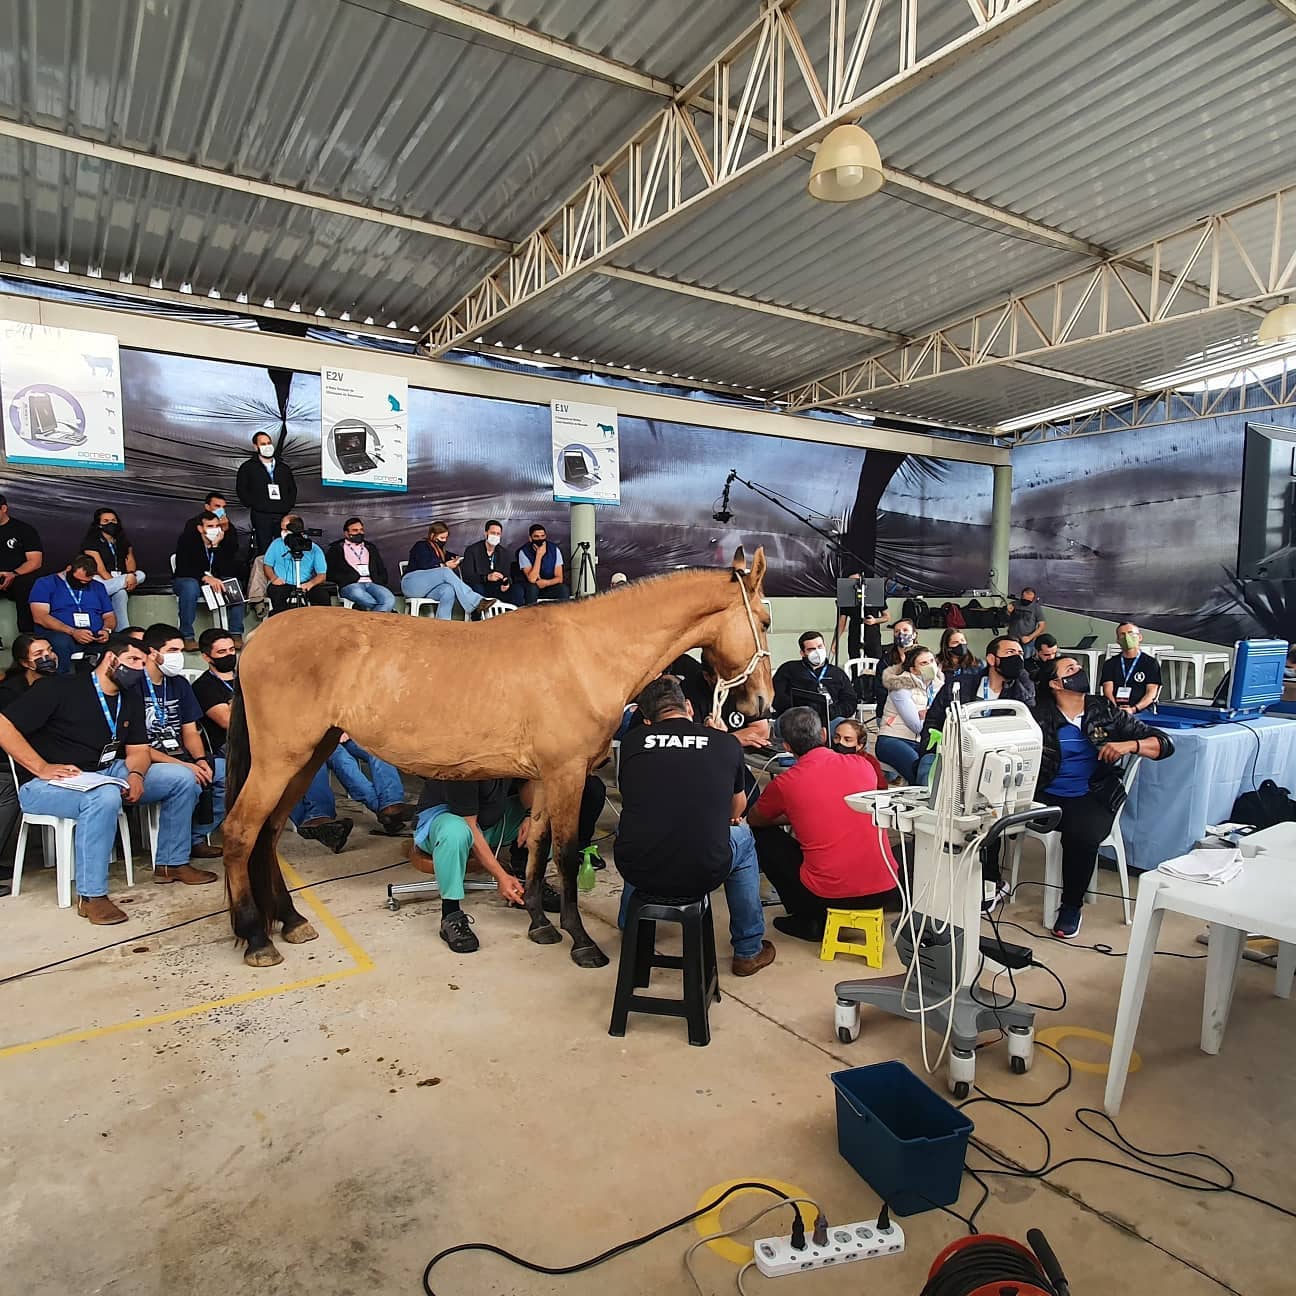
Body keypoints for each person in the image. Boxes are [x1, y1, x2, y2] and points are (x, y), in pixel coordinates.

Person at [0, 632, 204, 923]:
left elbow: (137, 750)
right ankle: (92, 895)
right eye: (132, 660)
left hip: (106, 771)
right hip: (48, 783)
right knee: (104, 796)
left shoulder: (129, 696)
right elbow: (3, 725)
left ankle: (172, 863)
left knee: (181, 777)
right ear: (111, 658)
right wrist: (41, 767)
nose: (138, 668)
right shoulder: (60, 688)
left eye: (143, 662)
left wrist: (136, 774)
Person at [613, 677, 775, 977]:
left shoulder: (633, 741)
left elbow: (632, 794)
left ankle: (630, 927)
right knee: (743, 836)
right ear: (688, 707)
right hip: (703, 871)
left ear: (647, 720)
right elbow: (737, 809)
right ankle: (748, 950)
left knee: (638, 830)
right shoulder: (725, 743)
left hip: (638, 868)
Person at [1033, 657, 1174, 938]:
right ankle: (991, 886)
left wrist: (1129, 745)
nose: (1079, 672)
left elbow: (1163, 744)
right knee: (991, 816)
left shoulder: (1105, 710)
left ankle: (1071, 906)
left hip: (1093, 792)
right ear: (1054, 684)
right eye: (1070, 670)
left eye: (1078, 668)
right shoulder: (1039, 715)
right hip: (1046, 793)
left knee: (1081, 835)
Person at [748, 706, 900, 941]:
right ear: (823, 735)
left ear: (786, 747)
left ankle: (807, 919)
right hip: (886, 890)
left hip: (829, 897)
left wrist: (796, 813)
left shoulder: (786, 782)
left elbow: (755, 818)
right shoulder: (864, 766)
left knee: (760, 835)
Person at [920, 635, 1036, 904]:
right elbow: (935, 720)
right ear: (993, 659)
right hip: (954, 758)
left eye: (1020, 652)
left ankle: (989, 881)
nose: (1017, 656)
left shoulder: (1021, 691)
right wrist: (937, 745)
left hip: (997, 767)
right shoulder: (961, 685)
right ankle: (943, 872)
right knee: (936, 798)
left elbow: (1027, 729)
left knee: (988, 818)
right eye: (1010, 652)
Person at [408, 775, 528, 953]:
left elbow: (531, 781)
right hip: (445, 823)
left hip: (487, 821)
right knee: (456, 833)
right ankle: (451, 914)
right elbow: (469, 826)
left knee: (546, 816)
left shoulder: (511, 751)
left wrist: (531, 815)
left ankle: (526, 883)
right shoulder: (463, 765)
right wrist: (501, 875)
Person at [139, 624, 224, 862]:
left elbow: (190, 731)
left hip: (181, 756)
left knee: (228, 773)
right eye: (172, 650)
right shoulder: (133, 685)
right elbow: (135, 747)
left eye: (181, 651)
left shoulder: (179, 684)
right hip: (147, 761)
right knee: (188, 780)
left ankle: (194, 838)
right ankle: (172, 861)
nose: (178, 657)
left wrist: (198, 759)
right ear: (152, 652)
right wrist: (187, 767)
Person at [0, 634, 58, 871]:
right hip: (10, 760)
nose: (48, 657)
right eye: (39, 655)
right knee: (8, 789)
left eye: (50, 650)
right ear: (25, 663)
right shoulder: (10, 691)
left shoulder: (61, 682)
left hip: (52, 754)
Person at [289, 735, 411, 838]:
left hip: (341, 731)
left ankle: (390, 805)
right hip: (311, 737)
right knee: (342, 760)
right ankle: (388, 809)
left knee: (379, 748)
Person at [29, 555, 116, 674]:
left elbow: (109, 616)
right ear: (69, 569)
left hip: (94, 635)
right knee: (61, 642)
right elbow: (40, 617)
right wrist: (72, 632)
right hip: (61, 633)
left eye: (86, 582)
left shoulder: (98, 586)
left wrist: (106, 630)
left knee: (119, 642)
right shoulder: (45, 583)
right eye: (78, 580)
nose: (82, 583)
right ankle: (63, 681)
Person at [173, 509, 245, 648]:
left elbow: (226, 569)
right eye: (210, 526)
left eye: (217, 526)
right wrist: (204, 577)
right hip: (188, 580)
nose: (215, 529)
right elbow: (183, 567)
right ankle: (187, 636)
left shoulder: (222, 541)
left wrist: (216, 547)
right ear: (200, 528)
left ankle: (235, 633)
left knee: (233, 584)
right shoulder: (187, 539)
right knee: (190, 586)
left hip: (213, 582)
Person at [876, 644, 944, 782]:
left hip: (922, 742)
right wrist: (932, 716)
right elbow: (917, 726)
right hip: (893, 739)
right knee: (921, 774)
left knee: (939, 771)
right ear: (913, 669)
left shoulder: (937, 686)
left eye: (932, 661)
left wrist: (927, 714)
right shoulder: (900, 686)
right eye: (924, 663)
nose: (930, 666)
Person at [401, 521, 495, 619]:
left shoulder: (441, 551)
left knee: (448, 590)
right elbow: (425, 565)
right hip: (410, 584)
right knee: (445, 571)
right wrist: (444, 565)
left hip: (426, 590)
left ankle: (443, 625)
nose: (444, 540)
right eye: (442, 538)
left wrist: (458, 559)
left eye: (446, 538)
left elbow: (451, 556)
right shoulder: (421, 546)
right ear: (432, 535)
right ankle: (476, 602)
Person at [79, 507, 145, 628]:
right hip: (100, 579)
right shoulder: (91, 542)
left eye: (113, 520)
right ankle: (124, 632)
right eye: (106, 521)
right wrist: (123, 581)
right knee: (119, 590)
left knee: (139, 576)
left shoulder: (123, 541)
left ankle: (122, 633)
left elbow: (130, 561)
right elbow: (100, 569)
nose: (110, 523)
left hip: (122, 576)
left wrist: (131, 574)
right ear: (98, 525)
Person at [772, 630, 857, 721]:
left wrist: (830, 712)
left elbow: (850, 702)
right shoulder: (788, 669)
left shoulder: (838, 673)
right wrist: (802, 710)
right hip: (797, 719)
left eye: (820, 647)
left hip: (830, 718)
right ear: (802, 653)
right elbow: (776, 698)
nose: (817, 652)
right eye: (811, 649)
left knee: (843, 727)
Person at [237, 431, 298, 555]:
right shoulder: (248, 467)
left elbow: (292, 488)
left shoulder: (283, 467)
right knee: (264, 548)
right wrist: (253, 504)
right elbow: (242, 489)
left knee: (283, 546)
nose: (267, 446)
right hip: (261, 515)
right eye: (263, 443)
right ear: (256, 446)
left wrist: (288, 505)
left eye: (269, 443)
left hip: (281, 513)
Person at [263, 515, 332, 615]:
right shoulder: (276, 544)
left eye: (285, 530)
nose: (282, 532)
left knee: (322, 596)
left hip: (305, 583)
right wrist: (274, 578)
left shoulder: (314, 548)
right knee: (277, 596)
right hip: (282, 583)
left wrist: (310, 584)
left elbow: (322, 575)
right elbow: (267, 565)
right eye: (281, 529)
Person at [327, 516, 397, 613]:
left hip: (372, 583)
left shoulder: (370, 547)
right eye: (355, 530)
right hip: (351, 584)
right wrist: (346, 578)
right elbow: (330, 572)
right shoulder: (336, 548)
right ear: (346, 533)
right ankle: (385, 612)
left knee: (389, 599)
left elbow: (381, 568)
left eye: (361, 530)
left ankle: (373, 620)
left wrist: (380, 581)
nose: (359, 533)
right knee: (361, 595)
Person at [0, 493, 44, 636]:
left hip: (17, 576)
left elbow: (35, 561)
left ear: (4, 508)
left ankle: (27, 635)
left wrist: (13, 574)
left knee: (27, 583)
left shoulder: (24, 530)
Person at [1099, 622, 1162, 714]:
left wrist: (1133, 709)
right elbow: (1108, 691)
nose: (1127, 637)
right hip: (1116, 711)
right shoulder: (1110, 664)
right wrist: (1117, 709)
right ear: (1117, 640)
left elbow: (1151, 693)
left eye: (1130, 633)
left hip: (1142, 710)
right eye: (1122, 635)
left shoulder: (1150, 663)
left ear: (1140, 637)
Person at [460, 520, 517, 605]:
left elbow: (507, 574)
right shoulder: (472, 550)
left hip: (496, 586)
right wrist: (487, 577)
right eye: (493, 533)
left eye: (498, 534)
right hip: (478, 585)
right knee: (478, 589)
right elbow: (467, 576)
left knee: (516, 591)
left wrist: (506, 582)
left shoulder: (504, 553)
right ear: (486, 533)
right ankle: (479, 617)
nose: (496, 536)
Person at [517, 523, 569, 605]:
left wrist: (546, 583)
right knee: (532, 588)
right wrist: (539, 556)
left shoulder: (554, 550)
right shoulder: (523, 552)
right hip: (531, 587)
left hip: (548, 584)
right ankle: (531, 615)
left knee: (563, 589)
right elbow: (532, 579)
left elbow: (559, 578)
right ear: (530, 538)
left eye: (542, 536)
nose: (540, 539)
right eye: (536, 537)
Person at [829, 717, 888, 786]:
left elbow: (881, 788)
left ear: (860, 745)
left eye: (847, 740)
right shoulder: (827, 757)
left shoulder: (870, 762)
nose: (840, 742)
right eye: (837, 737)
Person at [1006, 587, 1047, 658]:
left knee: (1027, 660)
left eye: (1029, 600)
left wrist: (1029, 637)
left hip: (1028, 641)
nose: (1026, 601)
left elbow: (1042, 626)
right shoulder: (1014, 604)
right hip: (1012, 639)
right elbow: (1005, 621)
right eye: (1025, 599)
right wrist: (1008, 612)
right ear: (1021, 596)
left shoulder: (1036, 608)